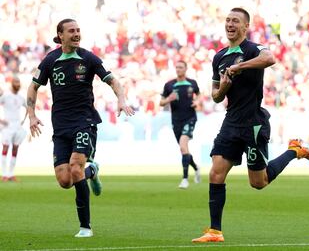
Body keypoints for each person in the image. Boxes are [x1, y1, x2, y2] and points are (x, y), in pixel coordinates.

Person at [192, 8, 309, 243]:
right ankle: (215, 232)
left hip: (254, 123)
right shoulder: (219, 57)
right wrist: (226, 86)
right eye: (228, 20)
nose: (230, 24)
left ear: (245, 27)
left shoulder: (253, 49)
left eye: (235, 21)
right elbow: (216, 96)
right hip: (231, 122)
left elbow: (270, 59)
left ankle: (294, 150)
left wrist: (240, 67)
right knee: (216, 173)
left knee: (258, 183)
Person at [27, 19, 135, 237]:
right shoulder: (50, 60)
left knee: (76, 167)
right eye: (72, 31)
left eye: (78, 30)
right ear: (61, 35)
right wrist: (32, 115)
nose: (77, 34)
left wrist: (122, 100)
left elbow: (113, 80)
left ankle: (85, 227)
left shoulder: (88, 57)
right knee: (65, 180)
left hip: (84, 122)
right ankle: (92, 171)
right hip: (60, 126)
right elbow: (33, 86)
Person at [160, 60, 201, 189]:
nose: (178, 69)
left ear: (185, 69)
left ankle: (185, 179)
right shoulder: (169, 85)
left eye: (181, 67)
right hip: (176, 120)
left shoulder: (192, 83)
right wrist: (168, 99)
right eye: (176, 67)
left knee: (183, 146)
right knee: (185, 150)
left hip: (190, 118)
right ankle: (196, 168)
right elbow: (161, 102)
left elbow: (199, 95)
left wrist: (197, 102)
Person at [0, 77, 27, 182]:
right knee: (5, 148)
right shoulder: (6, 96)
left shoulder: (21, 97)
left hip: (17, 126)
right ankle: (4, 174)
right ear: (12, 84)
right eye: (16, 82)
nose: (18, 84)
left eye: (19, 82)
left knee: (15, 149)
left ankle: (11, 174)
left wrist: (24, 120)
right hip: (7, 126)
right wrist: (1, 121)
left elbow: (28, 107)